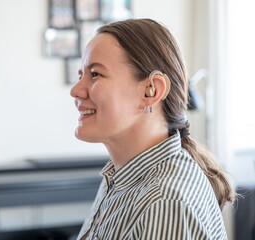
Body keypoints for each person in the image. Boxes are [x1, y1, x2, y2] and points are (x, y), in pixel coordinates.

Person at [70, 19, 235, 240]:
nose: (76, 90)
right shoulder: (121, 175)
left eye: (96, 74)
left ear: (152, 91)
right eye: (81, 75)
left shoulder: (164, 202)